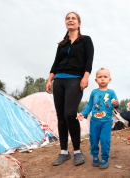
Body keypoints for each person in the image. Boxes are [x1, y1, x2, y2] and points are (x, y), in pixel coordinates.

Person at [45, 12, 94, 166]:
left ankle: (77, 151)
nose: (70, 20)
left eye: (73, 18)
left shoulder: (85, 40)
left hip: (75, 79)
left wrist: (85, 77)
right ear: (66, 23)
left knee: (70, 114)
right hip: (58, 80)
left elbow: (88, 60)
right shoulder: (62, 44)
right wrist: (49, 79)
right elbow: (55, 63)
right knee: (60, 116)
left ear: (79, 23)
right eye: (68, 18)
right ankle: (64, 152)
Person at [77, 68, 119, 169]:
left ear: (110, 79)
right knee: (93, 140)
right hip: (94, 122)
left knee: (105, 140)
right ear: (96, 80)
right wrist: (83, 113)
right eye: (100, 77)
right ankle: (95, 156)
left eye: (105, 77)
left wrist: (116, 104)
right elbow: (89, 105)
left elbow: (116, 105)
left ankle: (104, 158)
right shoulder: (94, 92)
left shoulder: (111, 93)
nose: (102, 79)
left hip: (106, 122)